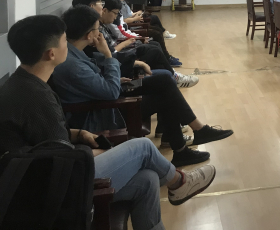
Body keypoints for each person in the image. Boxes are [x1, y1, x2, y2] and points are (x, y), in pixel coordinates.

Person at [0, 15, 216, 230]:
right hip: (56, 189)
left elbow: (47, 139)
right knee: (142, 147)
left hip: (50, 174)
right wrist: (101, 153)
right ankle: (180, 182)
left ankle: (174, 188)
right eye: (65, 41)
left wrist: (78, 133)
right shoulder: (37, 98)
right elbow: (63, 159)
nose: (69, 46)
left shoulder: (23, 84)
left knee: (148, 179)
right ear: (51, 53)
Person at [50, 5, 234, 167]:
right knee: (165, 94)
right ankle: (188, 142)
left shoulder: (74, 53)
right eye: (97, 29)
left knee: (163, 80)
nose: (100, 34)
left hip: (108, 95)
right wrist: (107, 55)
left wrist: (115, 77)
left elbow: (96, 81)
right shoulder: (72, 65)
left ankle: (191, 138)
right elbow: (110, 92)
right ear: (89, 35)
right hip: (106, 112)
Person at [72, 0, 197, 87]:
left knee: (156, 52)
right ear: (92, 7)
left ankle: (172, 75)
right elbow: (106, 59)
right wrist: (134, 59)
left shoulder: (97, 25)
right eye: (101, 4)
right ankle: (173, 76)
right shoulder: (89, 32)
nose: (103, 8)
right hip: (116, 62)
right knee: (156, 56)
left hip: (115, 60)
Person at [101, 0, 183, 67]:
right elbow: (121, 33)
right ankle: (168, 63)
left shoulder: (118, 5)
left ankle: (167, 63)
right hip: (127, 40)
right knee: (155, 38)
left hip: (128, 37)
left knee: (155, 35)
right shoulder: (111, 12)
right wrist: (140, 37)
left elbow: (123, 26)